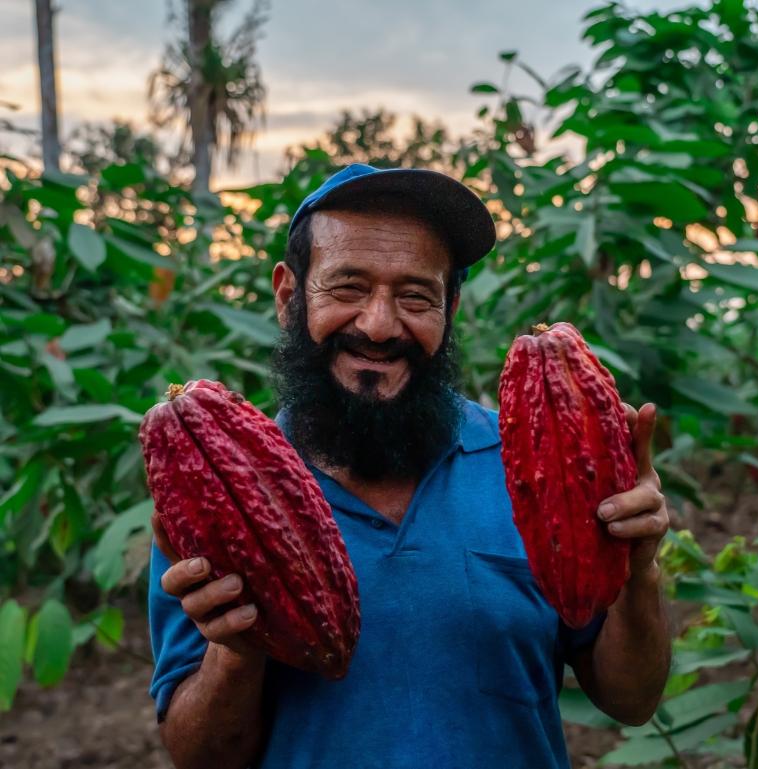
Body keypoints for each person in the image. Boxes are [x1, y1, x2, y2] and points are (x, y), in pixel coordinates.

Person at [148, 163, 671, 769]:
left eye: (415, 296)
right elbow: (198, 756)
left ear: (450, 309)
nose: (378, 324)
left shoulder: (529, 465)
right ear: (290, 296)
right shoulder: (217, 489)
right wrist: (236, 653)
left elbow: (632, 701)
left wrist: (639, 572)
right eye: (347, 287)